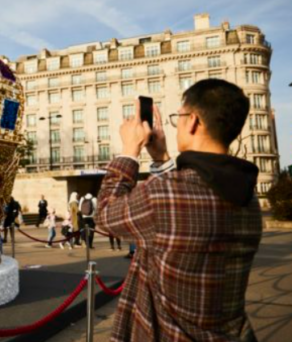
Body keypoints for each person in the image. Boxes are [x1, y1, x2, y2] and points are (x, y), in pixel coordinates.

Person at [97, 80, 262, 341]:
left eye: (179, 117)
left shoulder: (163, 195)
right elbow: (188, 202)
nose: (176, 126)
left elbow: (105, 216)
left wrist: (129, 151)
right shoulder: (248, 198)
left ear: (193, 121)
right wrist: (161, 158)